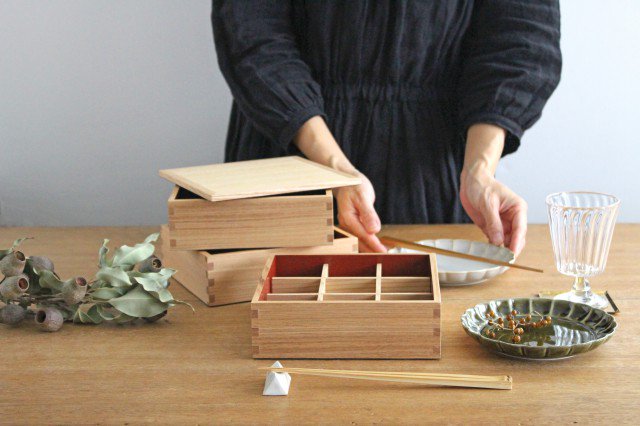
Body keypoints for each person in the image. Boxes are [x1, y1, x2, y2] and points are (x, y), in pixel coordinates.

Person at [211, 1, 561, 254]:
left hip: (428, 172)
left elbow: (519, 39)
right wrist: (334, 168)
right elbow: (252, 34)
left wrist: (479, 171)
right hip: (291, 152)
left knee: (431, 336)